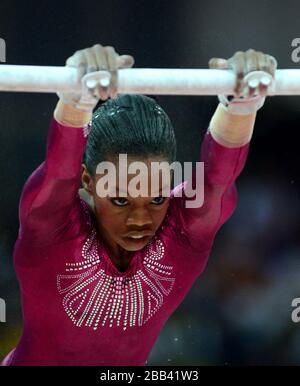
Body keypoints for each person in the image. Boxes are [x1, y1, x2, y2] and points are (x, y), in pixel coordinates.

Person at [1, 44, 277, 365]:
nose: (140, 219)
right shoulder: (50, 229)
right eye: (120, 200)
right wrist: (77, 99)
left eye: (157, 198)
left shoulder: (181, 236)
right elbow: (59, 173)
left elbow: (217, 181)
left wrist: (241, 104)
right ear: (88, 182)